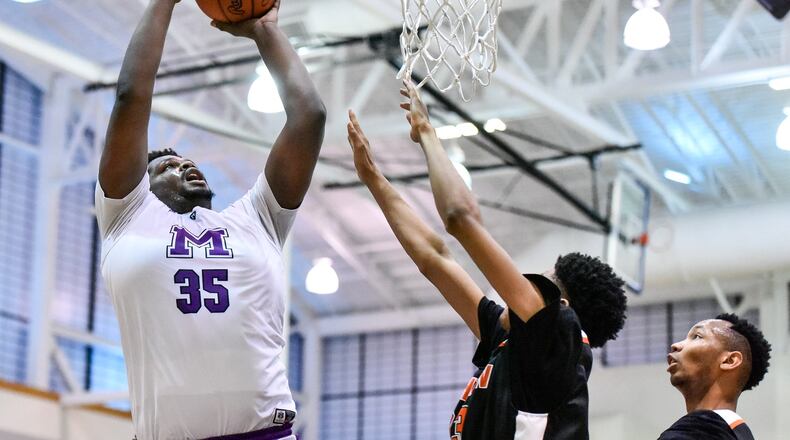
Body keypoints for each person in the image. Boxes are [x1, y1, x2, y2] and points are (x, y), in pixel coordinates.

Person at [345, 80, 627, 440]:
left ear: (561, 309)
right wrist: (372, 178)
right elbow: (434, 258)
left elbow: (459, 218)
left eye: (539, 284)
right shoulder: (513, 340)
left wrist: (428, 134)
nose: (516, 290)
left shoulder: (559, 342)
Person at [95, 0, 325, 438]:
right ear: (140, 187)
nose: (184, 165)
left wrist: (266, 32)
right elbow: (131, 95)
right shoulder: (127, 215)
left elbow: (309, 117)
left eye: (187, 161)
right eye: (167, 167)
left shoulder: (257, 218)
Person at [659, 313, 771, 440]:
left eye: (697, 336)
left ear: (729, 361)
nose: (675, 345)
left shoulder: (698, 432)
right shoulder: (736, 433)